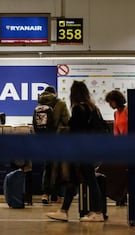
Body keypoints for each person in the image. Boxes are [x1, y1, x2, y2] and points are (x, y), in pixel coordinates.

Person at [45, 80, 105, 222]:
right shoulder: (93, 108)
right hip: (91, 149)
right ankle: (64, 211)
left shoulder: (79, 109)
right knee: (75, 180)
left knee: (86, 180)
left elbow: (76, 130)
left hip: (81, 150)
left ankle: (96, 212)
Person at [34, 86, 70, 204]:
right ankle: (57, 196)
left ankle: (45, 194)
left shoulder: (39, 106)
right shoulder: (61, 104)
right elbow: (67, 121)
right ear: (54, 93)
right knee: (59, 167)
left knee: (48, 167)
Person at [101, 90, 128, 206]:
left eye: (111, 102)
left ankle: (121, 195)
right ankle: (118, 195)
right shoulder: (115, 114)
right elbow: (116, 132)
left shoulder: (127, 111)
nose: (110, 105)